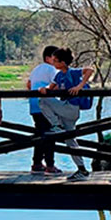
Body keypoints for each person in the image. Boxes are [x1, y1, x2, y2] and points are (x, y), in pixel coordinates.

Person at [39, 47, 94, 181]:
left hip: (71, 108)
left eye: (56, 61)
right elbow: (50, 88)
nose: (54, 64)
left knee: (42, 101)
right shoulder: (58, 75)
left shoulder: (73, 72)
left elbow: (90, 70)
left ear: (63, 62)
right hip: (66, 110)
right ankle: (82, 170)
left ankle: (56, 125)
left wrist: (79, 86)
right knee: (71, 141)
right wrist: (44, 89)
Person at [27, 45, 59, 175]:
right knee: (49, 133)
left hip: (34, 104)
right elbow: (55, 84)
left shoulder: (36, 69)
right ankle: (50, 165)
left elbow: (29, 84)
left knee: (40, 133)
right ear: (48, 58)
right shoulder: (52, 69)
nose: (57, 60)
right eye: (55, 57)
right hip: (46, 105)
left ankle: (37, 163)